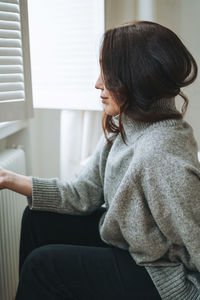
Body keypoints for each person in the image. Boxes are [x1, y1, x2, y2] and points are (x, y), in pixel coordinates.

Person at [1, 20, 199, 300]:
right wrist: (7, 178)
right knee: (37, 218)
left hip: (161, 276)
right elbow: (83, 194)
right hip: (131, 248)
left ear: (136, 77)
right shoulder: (128, 127)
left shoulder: (160, 154)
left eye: (108, 72)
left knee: (43, 266)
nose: (97, 83)